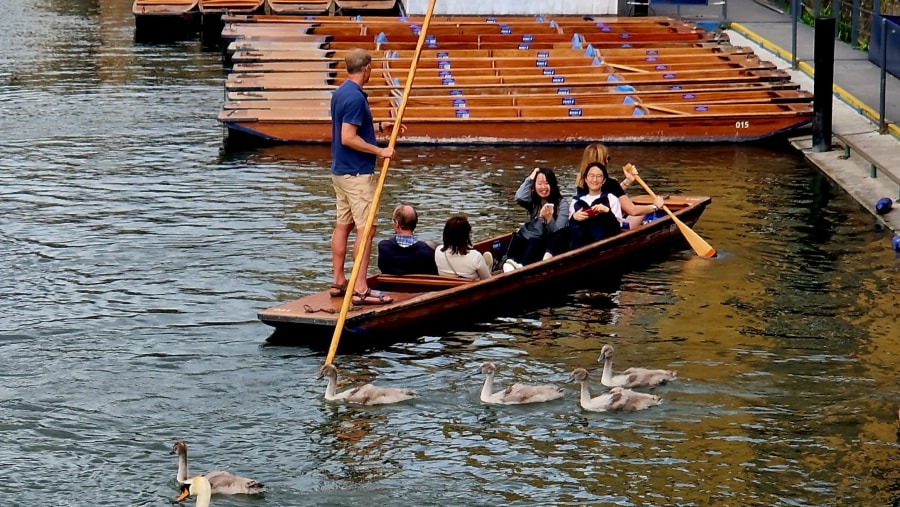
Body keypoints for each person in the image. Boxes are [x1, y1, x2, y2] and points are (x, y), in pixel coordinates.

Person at [328, 47, 404, 306]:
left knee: (344, 225)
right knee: (366, 228)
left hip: (340, 171)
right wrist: (380, 151)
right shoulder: (355, 98)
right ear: (367, 69)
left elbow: (354, 126)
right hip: (357, 174)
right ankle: (360, 288)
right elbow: (347, 137)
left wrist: (381, 128)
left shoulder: (341, 93)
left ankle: (339, 281)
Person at [577, 143, 664, 229]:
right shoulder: (610, 183)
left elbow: (609, 193)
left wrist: (628, 180)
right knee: (644, 211)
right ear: (604, 160)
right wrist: (655, 206)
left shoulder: (581, 181)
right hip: (611, 227)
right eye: (608, 158)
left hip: (588, 225)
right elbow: (632, 211)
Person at [502, 167, 570, 271]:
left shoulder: (562, 205)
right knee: (517, 238)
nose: (543, 187)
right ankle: (503, 263)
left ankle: (519, 267)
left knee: (533, 242)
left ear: (553, 184)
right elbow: (520, 197)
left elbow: (558, 234)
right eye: (539, 184)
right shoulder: (534, 202)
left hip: (543, 244)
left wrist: (549, 218)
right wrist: (531, 177)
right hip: (526, 237)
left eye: (547, 183)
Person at [567, 162, 624, 250]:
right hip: (580, 243)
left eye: (599, 176)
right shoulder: (576, 201)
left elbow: (617, 228)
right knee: (571, 231)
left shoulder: (611, 199)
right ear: (586, 179)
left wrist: (607, 212)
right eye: (591, 176)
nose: (594, 180)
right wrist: (575, 218)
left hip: (603, 243)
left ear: (604, 180)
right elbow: (569, 226)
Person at [377, 204, 439, 276]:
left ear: (397, 224)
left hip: (391, 287)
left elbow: (383, 268)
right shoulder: (426, 251)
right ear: (415, 224)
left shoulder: (384, 248)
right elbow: (433, 274)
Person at [435, 215, 492, 280]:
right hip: (470, 288)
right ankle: (488, 267)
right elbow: (487, 279)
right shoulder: (475, 257)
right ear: (466, 235)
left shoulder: (438, 251)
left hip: (446, 286)